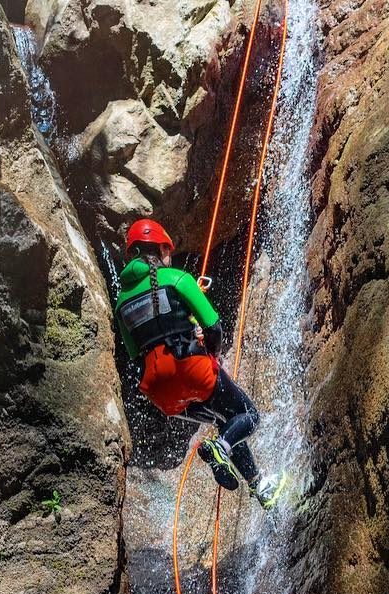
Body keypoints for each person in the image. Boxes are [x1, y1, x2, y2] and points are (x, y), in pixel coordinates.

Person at [114, 218, 285, 509]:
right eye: (168, 250)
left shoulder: (121, 303)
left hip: (161, 395)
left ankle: (259, 486)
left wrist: (184, 327)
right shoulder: (178, 279)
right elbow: (214, 326)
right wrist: (212, 356)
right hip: (192, 372)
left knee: (226, 420)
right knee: (249, 415)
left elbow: (138, 354)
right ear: (161, 250)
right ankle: (221, 447)